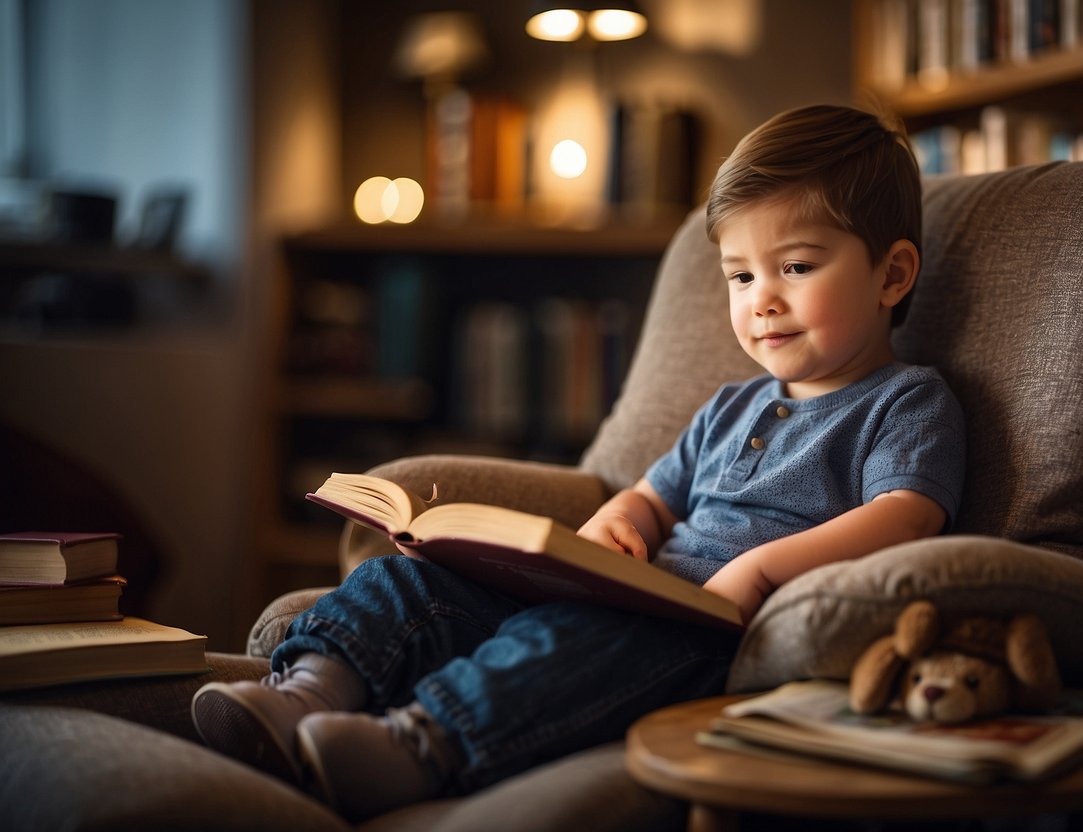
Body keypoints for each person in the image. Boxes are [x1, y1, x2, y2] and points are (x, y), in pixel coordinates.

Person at [191, 103, 965, 821]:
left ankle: (419, 746)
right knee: (410, 580)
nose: (760, 299)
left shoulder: (903, 401)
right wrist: (614, 522)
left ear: (891, 275)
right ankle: (307, 691)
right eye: (739, 275)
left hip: (702, 631)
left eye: (794, 268)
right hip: (629, 593)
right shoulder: (728, 407)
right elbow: (651, 499)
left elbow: (905, 515)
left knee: (570, 649)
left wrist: (760, 570)